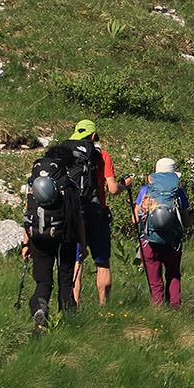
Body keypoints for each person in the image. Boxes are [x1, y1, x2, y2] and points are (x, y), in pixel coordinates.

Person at [21, 137, 92, 330]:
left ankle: (40, 307)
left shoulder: (34, 185)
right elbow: (78, 220)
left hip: (37, 236)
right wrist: (83, 246)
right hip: (65, 238)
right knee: (65, 280)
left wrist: (26, 244)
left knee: (43, 281)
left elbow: (28, 215)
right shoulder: (70, 186)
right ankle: (69, 320)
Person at [67, 120, 120, 305]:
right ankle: (103, 305)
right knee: (102, 262)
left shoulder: (67, 156)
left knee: (77, 262)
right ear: (92, 137)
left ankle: (75, 304)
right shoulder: (102, 155)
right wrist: (124, 185)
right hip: (98, 214)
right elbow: (112, 189)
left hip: (75, 215)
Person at [133, 157, 193, 306]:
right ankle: (174, 310)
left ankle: (158, 310)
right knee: (173, 275)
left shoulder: (146, 190)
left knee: (155, 280)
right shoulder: (178, 192)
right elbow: (186, 222)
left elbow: (134, 219)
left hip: (148, 240)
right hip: (172, 241)